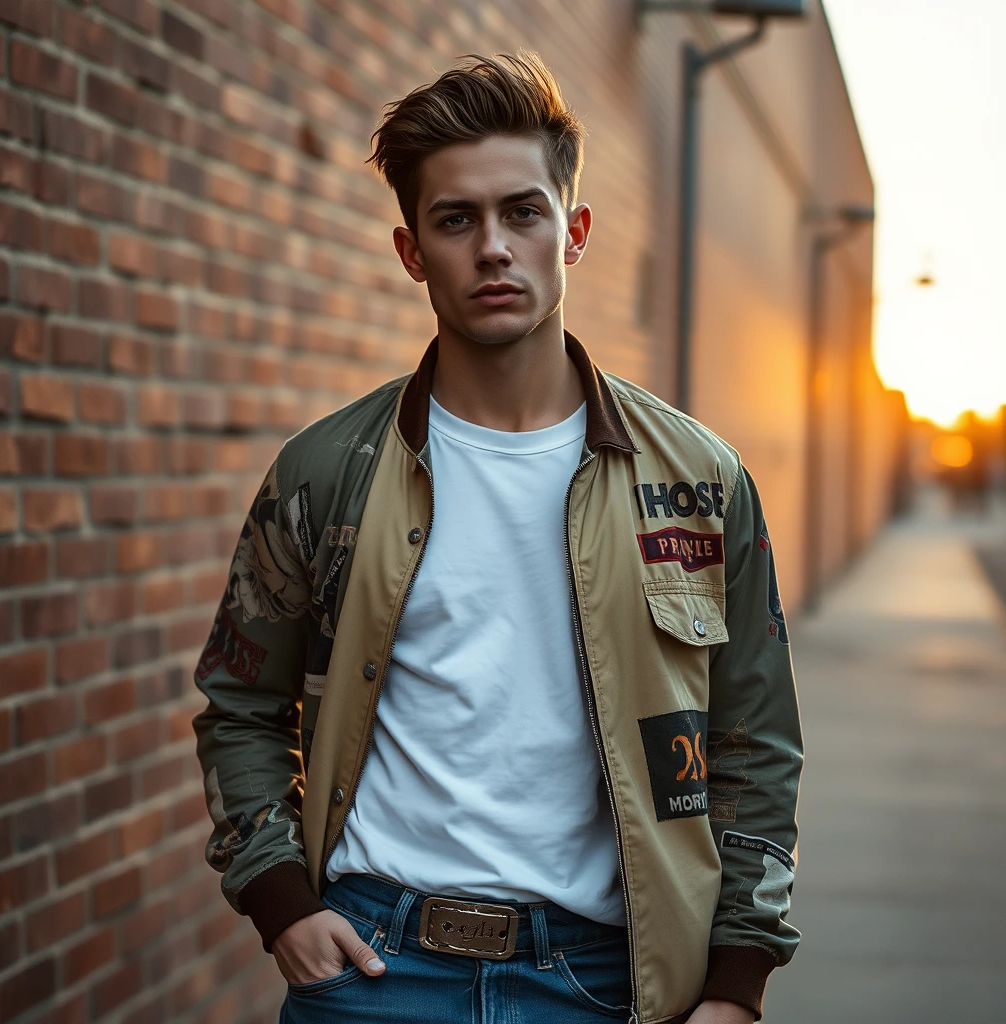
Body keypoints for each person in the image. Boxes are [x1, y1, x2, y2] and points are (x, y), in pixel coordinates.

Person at [192, 52, 803, 1024]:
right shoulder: (324, 474)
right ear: (409, 250)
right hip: (376, 970)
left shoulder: (697, 480)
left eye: (523, 211)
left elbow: (754, 746)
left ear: (575, 233)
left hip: (605, 979)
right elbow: (240, 706)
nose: (492, 247)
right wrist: (282, 906)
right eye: (454, 219)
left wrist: (735, 982)